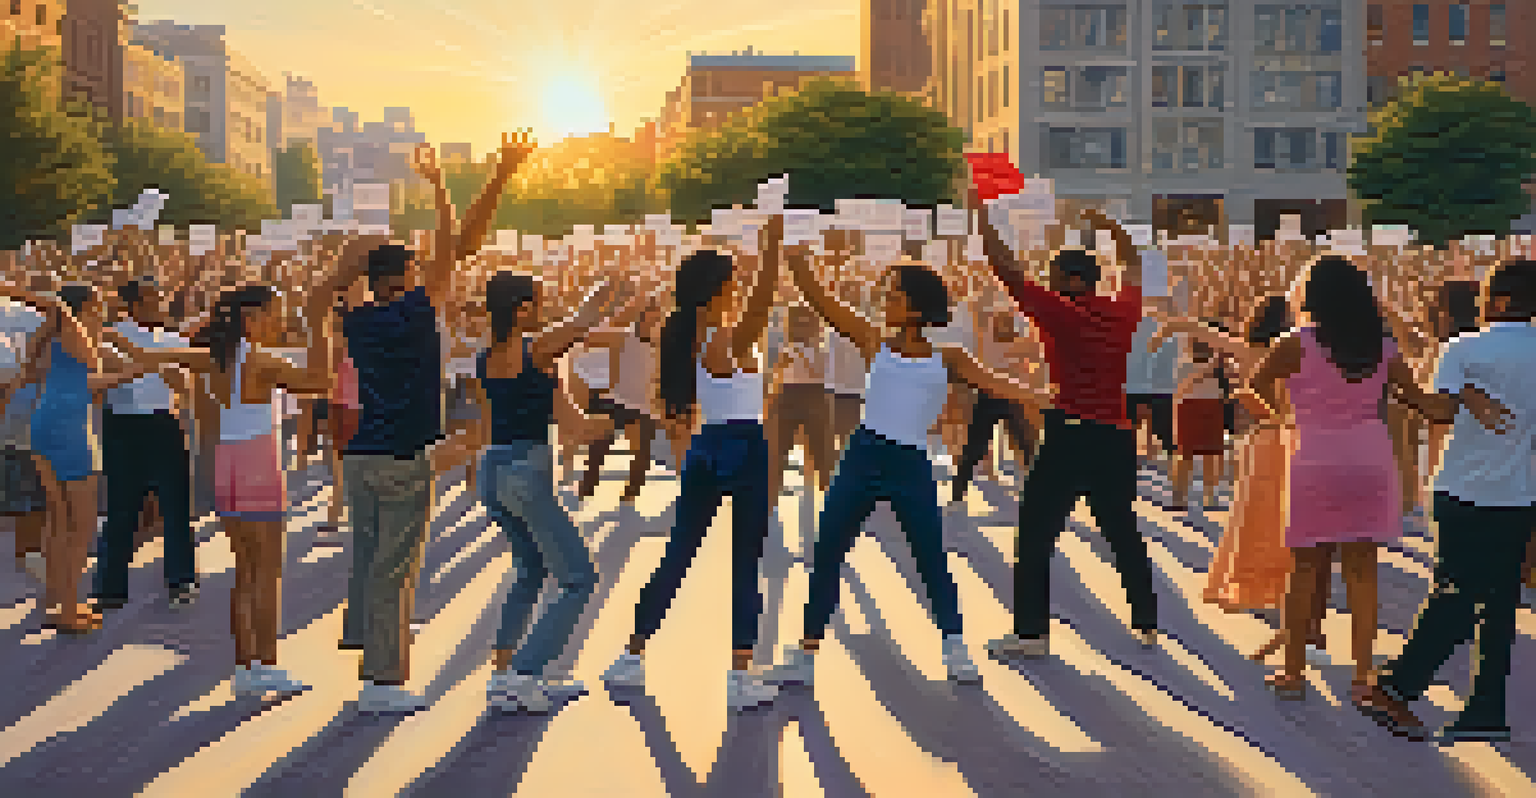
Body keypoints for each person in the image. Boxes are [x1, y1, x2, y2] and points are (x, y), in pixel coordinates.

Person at [762, 245, 1045, 691]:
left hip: (911, 464)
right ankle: (805, 654)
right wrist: (796, 259)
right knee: (828, 552)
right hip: (863, 456)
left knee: (931, 558)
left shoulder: (950, 357)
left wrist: (1045, 397)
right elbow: (822, 301)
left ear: (916, 305)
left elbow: (999, 384)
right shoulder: (875, 340)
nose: (884, 301)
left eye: (893, 295)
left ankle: (955, 648)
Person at [1246, 256, 1460, 703]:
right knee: (1363, 573)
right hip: (1371, 457)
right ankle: (1363, 675)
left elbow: (1253, 391)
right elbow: (1425, 403)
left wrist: (1282, 421)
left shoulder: (1294, 343)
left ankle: (1293, 673)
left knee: (1304, 570)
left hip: (1315, 456)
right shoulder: (1381, 348)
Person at [602, 220, 782, 713]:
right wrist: (772, 246)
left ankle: (631, 655)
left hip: (707, 447)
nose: (740, 287)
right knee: (745, 564)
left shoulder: (687, 337)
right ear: (719, 290)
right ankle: (740, 673)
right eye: (733, 282)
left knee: (677, 555)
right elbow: (764, 299)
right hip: (744, 448)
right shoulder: (725, 340)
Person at [1356, 260, 1534, 744]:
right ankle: (1486, 710)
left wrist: (1420, 384)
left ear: (1497, 301)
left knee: (1456, 593)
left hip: (1459, 491)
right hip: (1518, 497)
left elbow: (1435, 411)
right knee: (1497, 603)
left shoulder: (1464, 348)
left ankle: (1396, 686)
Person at [125, 283, 334, 695]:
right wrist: (319, 327)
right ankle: (267, 665)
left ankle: (245, 668)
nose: (278, 319)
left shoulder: (208, 360)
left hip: (225, 464)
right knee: (268, 572)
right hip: (257, 463)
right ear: (250, 319)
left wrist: (114, 339)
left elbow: (150, 356)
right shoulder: (259, 360)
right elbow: (321, 382)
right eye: (273, 312)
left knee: (246, 571)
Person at [980, 208, 1160, 659]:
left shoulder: (1060, 312)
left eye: (1055, 274)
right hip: (1116, 436)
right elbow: (1133, 266)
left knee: (1035, 533)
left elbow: (1006, 268)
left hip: (1070, 434)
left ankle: (1030, 634)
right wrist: (1115, 229)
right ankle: (1146, 620)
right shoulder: (1122, 313)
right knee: (1121, 530)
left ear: (1075, 281)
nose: (1049, 280)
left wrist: (982, 217)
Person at [465, 274, 625, 713]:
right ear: (520, 309)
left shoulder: (486, 359)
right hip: (524, 472)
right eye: (538, 301)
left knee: (531, 570)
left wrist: (612, 421)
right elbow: (581, 325)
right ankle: (525, 673)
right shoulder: (532, 351)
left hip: (492, 470)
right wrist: (604, 288)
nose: (545, 307)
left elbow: (575, 426)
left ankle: (503, 674)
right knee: (579, 579)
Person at [93, 278, 199, 610]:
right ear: (133, 304)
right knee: (121, 507)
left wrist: (173, 376)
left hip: (163, 423)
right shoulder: (108, 336)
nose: (160, 304)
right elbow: (110, 378)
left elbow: (185, 385)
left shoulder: (173, 338)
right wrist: (151, 364)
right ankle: (110, 587)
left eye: (161, 298)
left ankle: (181, 580)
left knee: (176, 506)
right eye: (152, 299)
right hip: (122, 425)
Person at [0, 292, 48, 584]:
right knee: (32, 505)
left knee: (28, 503)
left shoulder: (26, 315)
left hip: (19, 429)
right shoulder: (33, 315)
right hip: (29, 425)